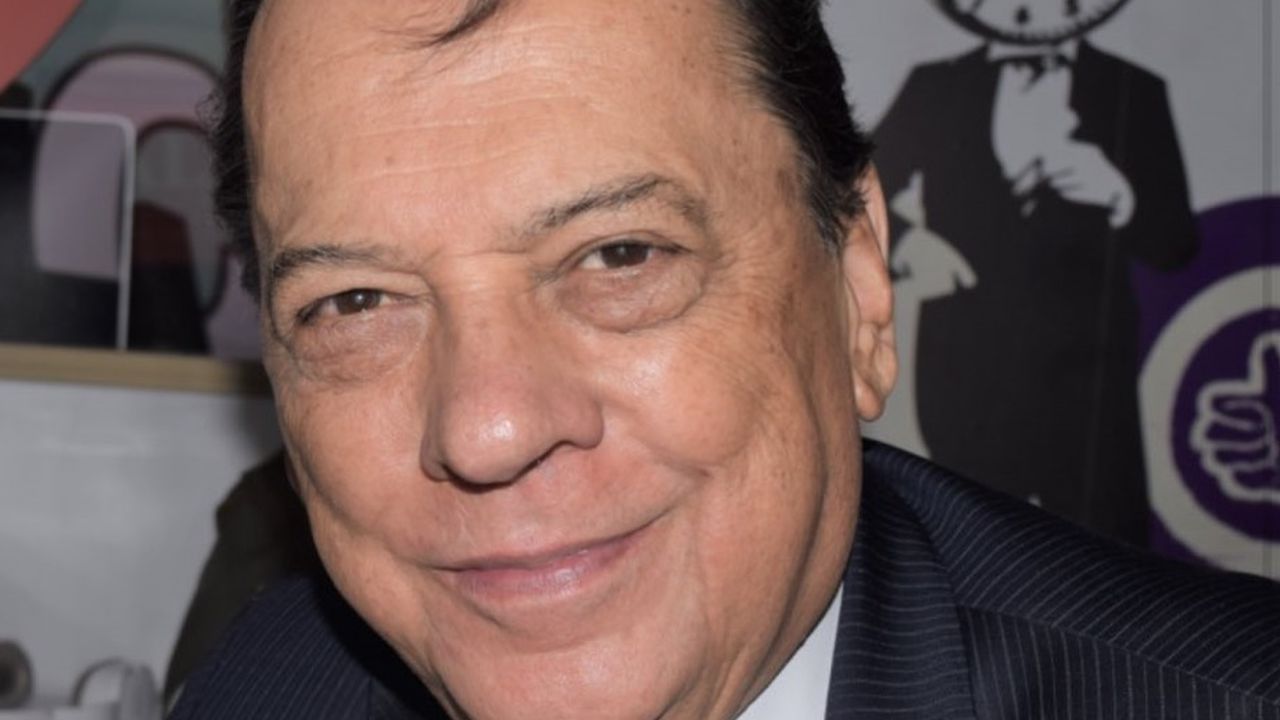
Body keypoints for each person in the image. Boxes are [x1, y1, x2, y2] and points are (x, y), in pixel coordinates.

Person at [171, 1, 1280, 718]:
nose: (487, 429)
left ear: (857, 287)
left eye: (619, 256)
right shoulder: (271, 687)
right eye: (356, 301)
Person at [875, 0, 1198, 546]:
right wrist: (912, 245)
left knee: (1105, 562)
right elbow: (857, 198)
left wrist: (1118, 193)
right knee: (965, 549)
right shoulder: (936, 85)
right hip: (966, 371)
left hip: (1090, 383)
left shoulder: (1133, 89)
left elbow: (1176, 244)